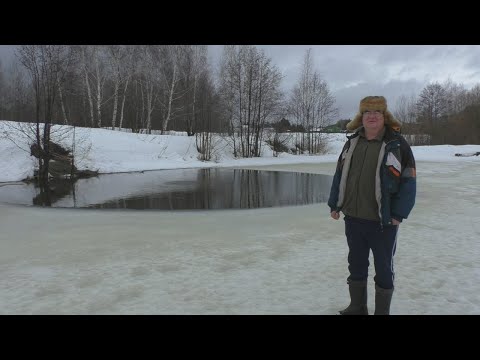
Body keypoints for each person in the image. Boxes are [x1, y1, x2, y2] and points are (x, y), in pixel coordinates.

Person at [328, 96, 416, 315]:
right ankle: (357, 307)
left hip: (383, 221)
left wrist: (398, 213)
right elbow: (340, 175)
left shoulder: (397, 144)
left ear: (384, 116)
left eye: (377, 112)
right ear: (361, 117)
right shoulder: (352, 142)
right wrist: (335, 204)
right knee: (356, 264)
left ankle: (381, 312)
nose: (372, 116)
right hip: (354, 218)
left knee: (384, 269)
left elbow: (409, 180)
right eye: (367, 112)